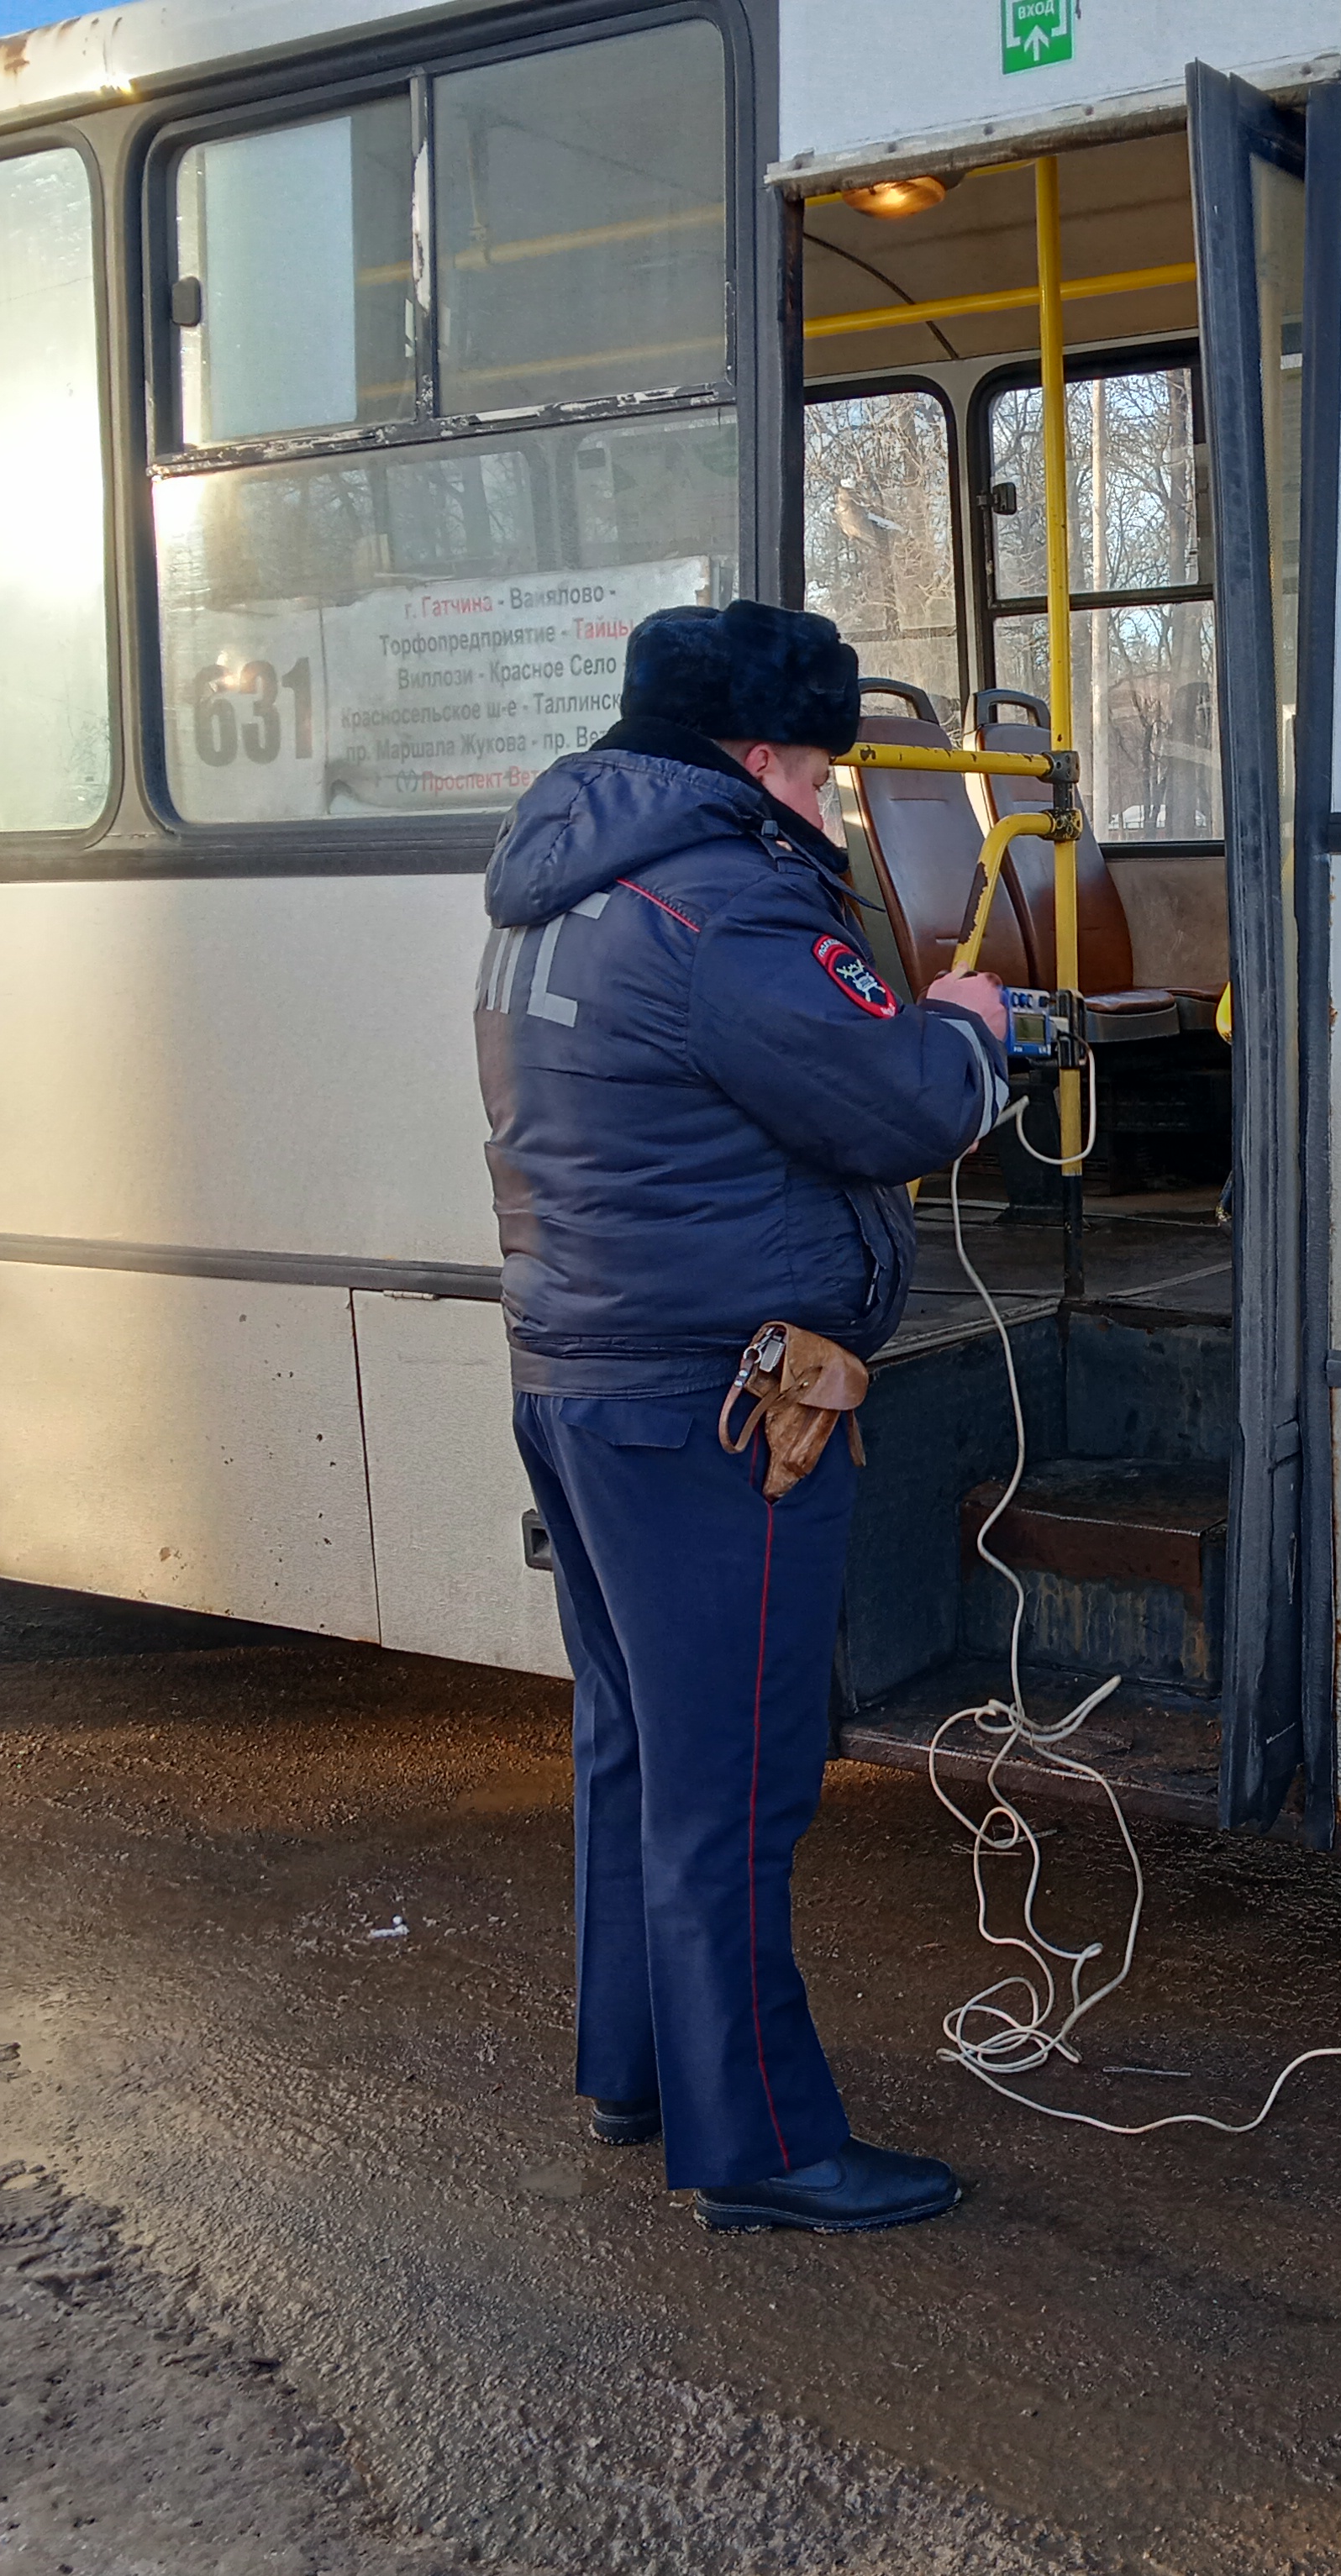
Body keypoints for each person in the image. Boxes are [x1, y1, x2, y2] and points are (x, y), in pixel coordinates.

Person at [476, 598, 1013, 2232]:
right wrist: (968, 1031)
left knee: (636, 1753)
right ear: (764, 756)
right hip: (725, 1409)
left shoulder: (562, 877)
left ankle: (636, 2068)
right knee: (738, 1783)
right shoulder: (724, 904)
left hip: (590, 1383)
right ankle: (763, 2141)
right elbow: (900, 1102)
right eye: (827, 780)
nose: (834, 810)